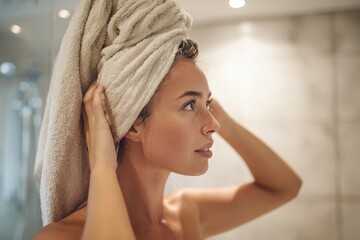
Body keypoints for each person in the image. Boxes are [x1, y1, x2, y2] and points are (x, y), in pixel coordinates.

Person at [32, 39, 302, 240]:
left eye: (208, 103)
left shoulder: (186, 213)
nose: (213, 125)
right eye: (188, 105)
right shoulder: (60, 237)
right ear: (133, 125)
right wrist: (102, 165)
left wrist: (226, 123)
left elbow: (284, 187)